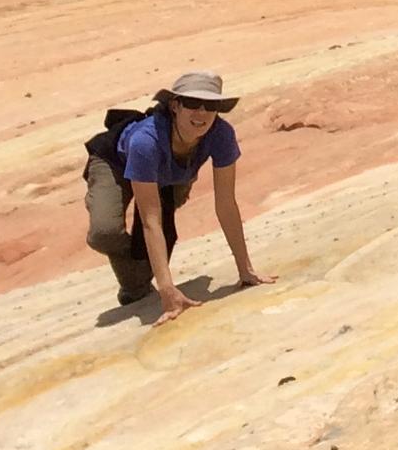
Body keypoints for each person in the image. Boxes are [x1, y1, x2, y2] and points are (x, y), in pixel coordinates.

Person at [85, 71, 270, 316]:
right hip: (116, 164)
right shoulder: (145, 141)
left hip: (170, 174)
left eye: (210, 106)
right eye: (192, 103)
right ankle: (138, 274)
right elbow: (151, 220)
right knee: (104, 232)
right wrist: (167, 291)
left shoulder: (221, 134)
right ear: (175, 105)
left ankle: (136, 285)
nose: (201, 113)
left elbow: (226, 204)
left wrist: (245, 270)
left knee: (164, 229)